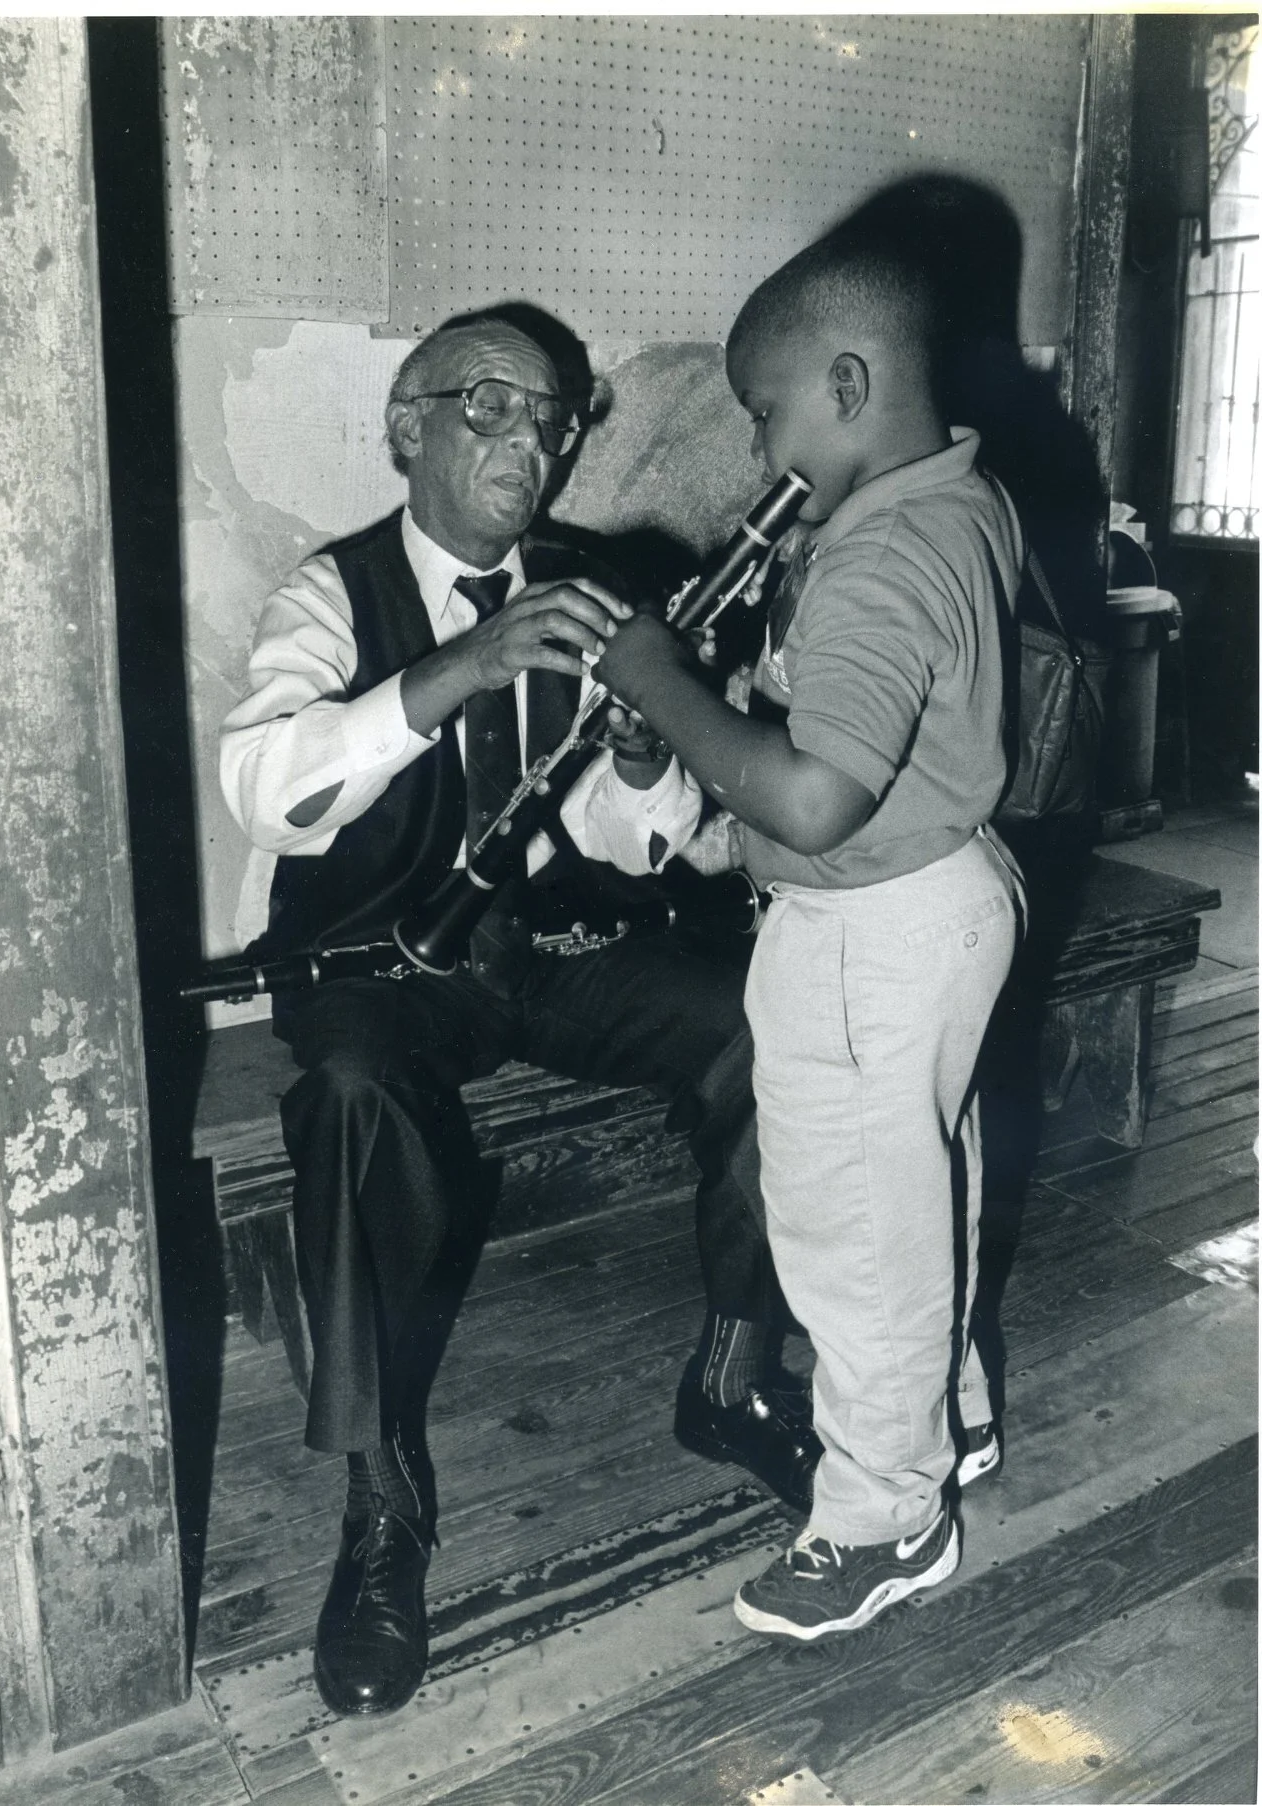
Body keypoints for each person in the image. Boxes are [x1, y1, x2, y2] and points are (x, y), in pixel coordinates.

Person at [219, 311, 817, 1715]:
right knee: (355, 1098)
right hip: (367, 966)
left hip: (534, 947)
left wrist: (639, 752)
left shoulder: (587, 587)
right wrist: (457, 673)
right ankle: (382, 1507)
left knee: (767, 1015)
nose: (533, 443)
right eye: (491, 405)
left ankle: (732, 1373)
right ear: (405, 426)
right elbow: (264, 785)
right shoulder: (330, 593)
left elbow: (633, 839)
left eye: (553, 417)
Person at [582, 230, 1027, 1640]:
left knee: (848, 1236)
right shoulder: (955, 502)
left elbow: (817, 797)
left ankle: (881, 1516)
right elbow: (851, 720)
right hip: (943, 898)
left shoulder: (882, 559)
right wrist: (734, 687)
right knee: (922, 1192)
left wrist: (661, 682)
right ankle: (944, 1423)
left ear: (847, 383)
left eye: (769, 414)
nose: (764, 449)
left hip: (868, 927)